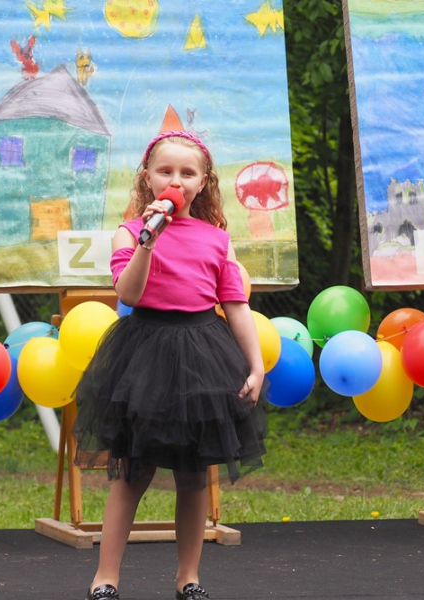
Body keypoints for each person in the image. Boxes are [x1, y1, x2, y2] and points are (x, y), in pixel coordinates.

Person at [74, 130, 267, 600]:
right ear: (148, 178)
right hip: (145, 356)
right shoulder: (129, 232)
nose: (175, 181)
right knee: (133, 472)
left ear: (203, 182)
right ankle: (105, 578)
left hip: (202, 356)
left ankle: (188, 578)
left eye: (187, 173)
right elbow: (129, 292)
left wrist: (256, 366)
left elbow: (235, 305)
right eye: (166, 171)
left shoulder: (217, 239)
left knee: (194, 476)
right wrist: (148, 241)